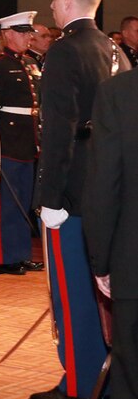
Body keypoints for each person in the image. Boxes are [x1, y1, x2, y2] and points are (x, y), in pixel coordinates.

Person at [32, 0, 131, 399]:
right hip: (111, 190)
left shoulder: (64, 50)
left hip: (71, 192)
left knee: (72, 296)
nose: (51, 5)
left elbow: (59, 128)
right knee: (101, 296)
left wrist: (49, 197)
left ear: (69, 2)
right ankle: (104, 378)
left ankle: (80, 382)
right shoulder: (114, 49)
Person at [84, 65, 138, 399]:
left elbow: (104, 185)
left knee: (131, 370)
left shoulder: (119, 93)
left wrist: (101, 260)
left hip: (133, 259)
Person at [0, 11, 43, 275]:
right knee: (9, 203)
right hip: (8, 142)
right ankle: (8, 257)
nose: (28, 37)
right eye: (23, 32)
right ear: (8, 34)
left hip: (29, 140)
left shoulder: (31, 63)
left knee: (26, 201)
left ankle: (22, 254)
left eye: (29, 32)